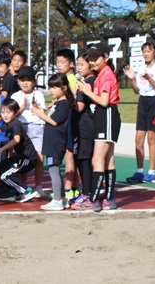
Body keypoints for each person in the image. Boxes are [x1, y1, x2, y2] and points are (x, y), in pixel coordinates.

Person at [76, 44, 121, 212]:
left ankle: (93, 200)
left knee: (97, 160)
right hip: (105, 116)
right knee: (108, 159)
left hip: (107, 114)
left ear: (106, 58)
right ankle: (109, 199)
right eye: (91, 59)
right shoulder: (103, 74)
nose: (93, 62)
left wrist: (87, 91)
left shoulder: (106, 75)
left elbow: (104, 101)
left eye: (96, 59)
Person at [124, 39, 155, 184]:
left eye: (149, 51)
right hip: (143, 102)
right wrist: (132, 79)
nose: (146, 54)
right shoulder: (141, 68)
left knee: (151, 139)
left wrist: (149, 79)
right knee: (138, 139)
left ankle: (152, 172)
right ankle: (139, 171)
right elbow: (137, 91)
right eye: (144, 51)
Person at [31, 73, 76, 211]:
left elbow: (55, 122)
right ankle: (61, 198)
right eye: (50, 87)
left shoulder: (63, 104)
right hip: (53, 140)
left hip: (56, 141)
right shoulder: (58, 103)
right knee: (54, 169)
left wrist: (41, 115)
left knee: (53, 170)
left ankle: (57, 199)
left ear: (64, 87)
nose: (51, 90)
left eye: (55, 87)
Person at [11, 66, 47, 197]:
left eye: (29, 80)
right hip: (22, 128)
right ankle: (23, 187)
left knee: (39, 159)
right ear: (18, 82)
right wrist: (22, 107)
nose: (25, 83)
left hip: (37, 128)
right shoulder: (15, 96)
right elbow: (12, 115)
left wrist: (35, 106)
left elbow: (42, 113)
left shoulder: (39, 95)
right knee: (24, 159)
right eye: (22, 80)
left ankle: (38, 186)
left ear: (34, 82)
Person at [69, 51, 97, 208]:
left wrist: (69, 97)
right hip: (80, 127)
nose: (78, 68)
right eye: (77, 64)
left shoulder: (89, 82)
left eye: (82, 64)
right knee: (81, 159)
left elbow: (79, 107)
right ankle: (86, 191)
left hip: (85, 128)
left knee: (85, 160)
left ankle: (88, 193)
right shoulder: (84, 81)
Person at [55, 48, 80, 203]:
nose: (59, 65)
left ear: (71, 64)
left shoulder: (71, 80)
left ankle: (68, 189)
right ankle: (74, 187)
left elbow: (72, 99)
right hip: (69, 120)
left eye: (62, 62)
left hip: (71, 121)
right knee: (69, 154)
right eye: (57, 62)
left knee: (69, 154)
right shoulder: (66, 78)